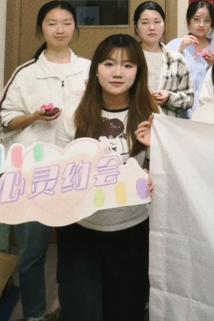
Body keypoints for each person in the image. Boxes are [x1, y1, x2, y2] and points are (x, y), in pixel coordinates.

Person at [0, 0, 91, 321]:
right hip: (33, 174)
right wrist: (34, 116)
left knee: (78, 252)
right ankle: (34, 315)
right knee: (32, 253)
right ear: (40, 29)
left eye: (66, 22)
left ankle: (70, 310)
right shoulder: (26, 73)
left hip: (76, 173)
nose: (60, 29)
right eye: (51, 23)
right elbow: (4, 120)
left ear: (75, 27)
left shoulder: (89, 69)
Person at [54, 34, 157, 321]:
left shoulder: (150, 115)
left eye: (128, 65)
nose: (117, 73)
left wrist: (152, 175)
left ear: (138, 72)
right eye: (109, 64)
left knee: (126, 311)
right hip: (80, 229)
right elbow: (58, 174)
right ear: (96, 69)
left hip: (131, 229)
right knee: (80, 311)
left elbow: (161, 172)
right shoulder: (73, 115)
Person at [133, 1, 194, 118]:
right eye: (145, 23)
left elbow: (189, 99)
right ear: (136, 27)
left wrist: (169, 97)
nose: (152, 27)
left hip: (167, 125)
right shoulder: (128, 58)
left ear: (164, 24)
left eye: (157, 22)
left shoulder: (176, 59)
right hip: (135, 122)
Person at [166, 0, 214, 118]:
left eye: (207, 20)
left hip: (207, 113)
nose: (201, 24)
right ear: (188, 21)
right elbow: (162, 75)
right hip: (178, 112)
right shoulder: (175, 44)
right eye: (196, 19)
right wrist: (179, 51)